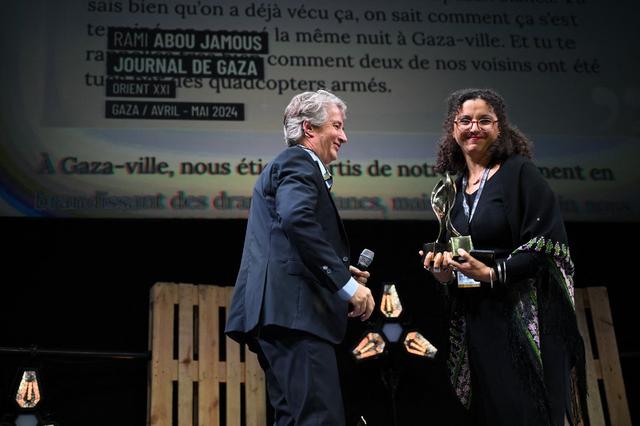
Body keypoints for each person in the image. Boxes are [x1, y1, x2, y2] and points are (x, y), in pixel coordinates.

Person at [421, 88, 586, 425]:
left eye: (485, 120)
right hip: (479, 322)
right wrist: (445, 274)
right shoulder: (450, 189)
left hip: (526, 319)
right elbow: (456, 253)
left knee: (529, 413)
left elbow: (547, 244)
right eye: (465, 120)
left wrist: (494, 273)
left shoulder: (519, 173)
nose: (474, 128)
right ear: (453, 129)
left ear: (500, 128)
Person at [225, 90, 375, 426]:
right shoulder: (299, 161)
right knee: (318, 419)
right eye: (336, 126)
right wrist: (346, 285)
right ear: (309, 128)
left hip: (277, 316)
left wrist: (334, 266)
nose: (344, 136)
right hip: (295, 317)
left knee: (294, 420)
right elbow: (297, 219)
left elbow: (286, 235)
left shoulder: (289, 166)